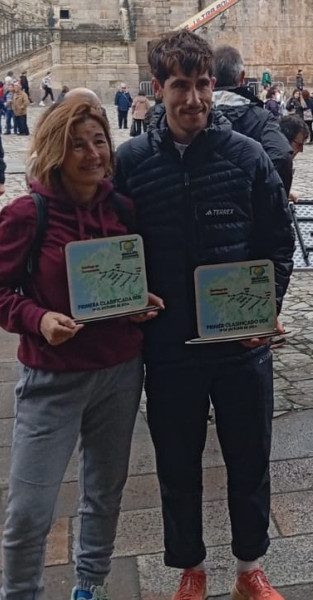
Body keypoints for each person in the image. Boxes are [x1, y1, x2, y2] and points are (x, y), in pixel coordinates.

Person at [114, 29, 293, 600]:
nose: (193, 99)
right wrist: (129, 298)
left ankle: (249, 567)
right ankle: (189, 566)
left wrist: (268, 308)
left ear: (214, 85)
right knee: (176, 461)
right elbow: (117, 245)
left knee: (249, 458)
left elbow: (277, 243)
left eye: (202, 85)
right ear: (159, 89)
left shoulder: (247, 156)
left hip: (241, 344)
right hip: (169, 346)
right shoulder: (132, 162)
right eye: (180, 87)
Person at [0, 99, 163, 600]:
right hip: (53, 377)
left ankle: (89, 586)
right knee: (29, 507)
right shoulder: (28, 214)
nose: (92, 154)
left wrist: (138, 302)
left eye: (98, 142)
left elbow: (123, 279)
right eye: (77, 144)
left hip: (118, 371)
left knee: (104, 492)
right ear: (55, 150)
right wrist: (38, 318)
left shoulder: (121, 208)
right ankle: (20, 593)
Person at [211, 45, 294, 192]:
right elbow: (281, 156)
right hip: (248, 208)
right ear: (242, 77)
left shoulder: (194, 114)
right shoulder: (260, 117)